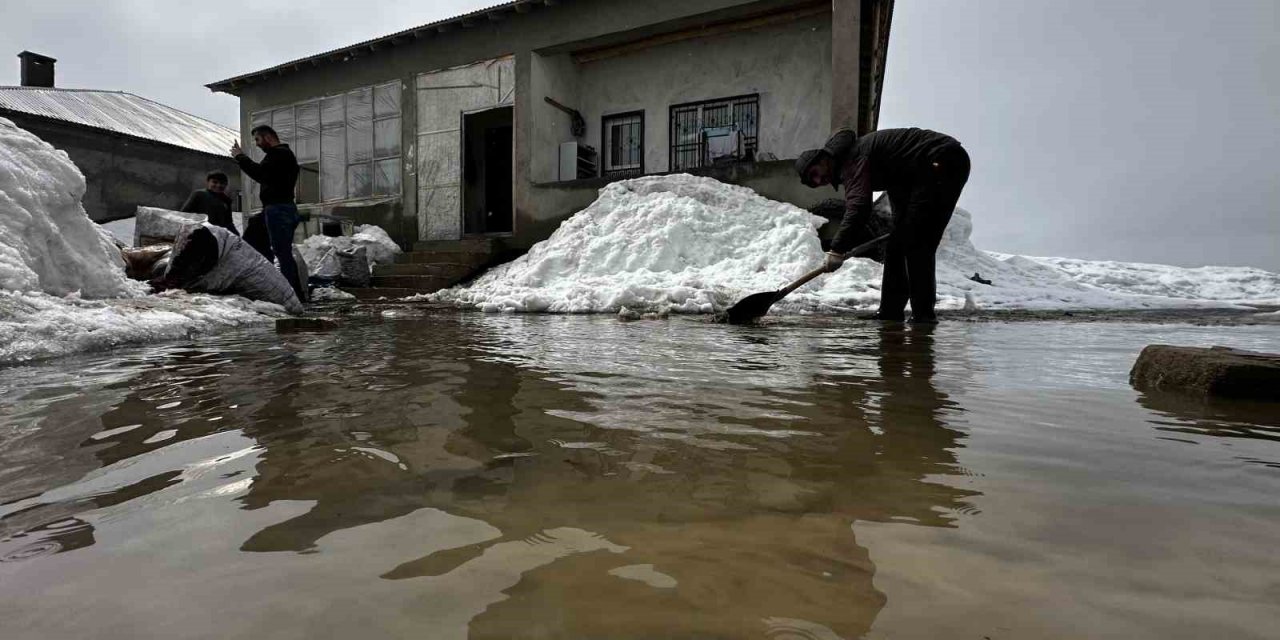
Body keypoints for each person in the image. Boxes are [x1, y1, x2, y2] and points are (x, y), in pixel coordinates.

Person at [796, 128, 970, 324]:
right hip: (918, 174)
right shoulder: (855, 158)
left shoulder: (851, 159)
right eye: (814, 182)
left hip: (942, 160)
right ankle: (890, 312)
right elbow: (897, 182)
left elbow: (859, 207)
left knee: (917, 243)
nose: (820, 181)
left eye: (815, 174)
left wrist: (837, 249)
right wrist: (899, 224)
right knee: (896, 245)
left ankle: (923, 317)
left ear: (822, 159)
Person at [232, 125, 304, 301]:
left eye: (257, 139)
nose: (257, 144)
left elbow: (260, 174)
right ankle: (266, 284)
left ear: (268, 137)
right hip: (273, 209)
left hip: (279, 209)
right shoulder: (279, 156)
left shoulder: (279, 154)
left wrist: (240, 157)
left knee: (283, 253)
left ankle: (294, 296)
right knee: (253, 240)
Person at [179, 171, 238, 235]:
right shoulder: (199, 194)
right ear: (208, 182)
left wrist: (236, 235)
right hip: (199, 233)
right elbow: (184, 214)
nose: (218, 185)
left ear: (226, 185)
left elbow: (228, 222)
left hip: (217, 236)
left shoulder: (227, 200)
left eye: (222, 183)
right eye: (215, 182)